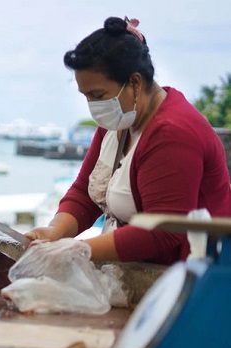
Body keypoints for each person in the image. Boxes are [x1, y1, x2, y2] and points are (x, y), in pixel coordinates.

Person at [26, 17, 231, 265]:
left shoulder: (172, 134)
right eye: (86, 96)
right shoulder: (120, 120)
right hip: (138, 269)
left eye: (98, 95)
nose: (93, 105)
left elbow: (161, 232)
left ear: (134, 82)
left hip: (194, 276)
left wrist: (76, 250)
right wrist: (55, 232)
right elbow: (84, 194)